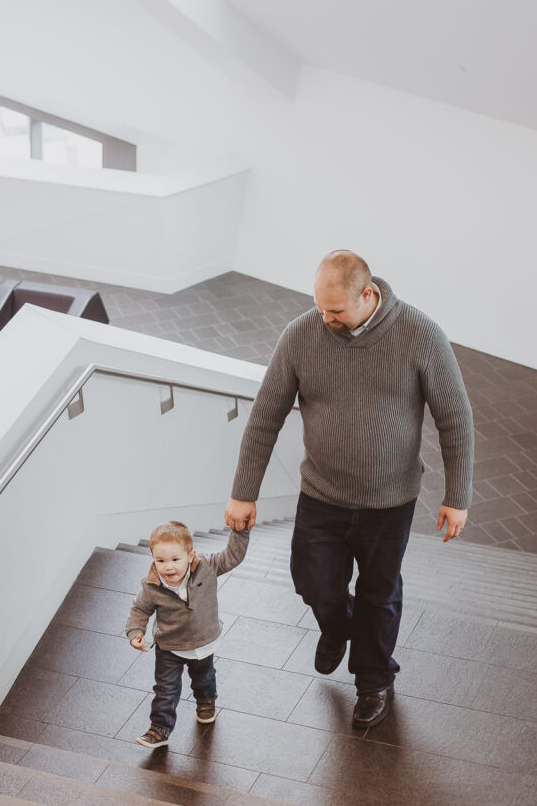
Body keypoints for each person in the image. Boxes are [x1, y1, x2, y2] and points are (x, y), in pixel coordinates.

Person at [225, 250, 473, 728]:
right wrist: (244, 491)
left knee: (379, 593)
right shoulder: (301, 335)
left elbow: (455, 418)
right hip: (321, 496)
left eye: (335, 311)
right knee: (313, 582)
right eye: (320, 308)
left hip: (389, 502)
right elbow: (264, 417)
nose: (325, 318)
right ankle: (338, 627)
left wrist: (457, 495)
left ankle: (374, 680)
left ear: (368, 294)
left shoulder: (420, 334)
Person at [125, 519, 249, 747]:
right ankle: (159, 729)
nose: (168, 567)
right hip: (169, 647)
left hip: (203, 643)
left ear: (190, 556)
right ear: (152, 557)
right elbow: (140, 608)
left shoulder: (208, 567)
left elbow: (233, 556)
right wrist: (135, 631)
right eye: (160, 560)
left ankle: (206, 700)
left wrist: (240, 532)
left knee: (204, 678)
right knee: (165, 690)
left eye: (175, 559)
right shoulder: (151, 585)